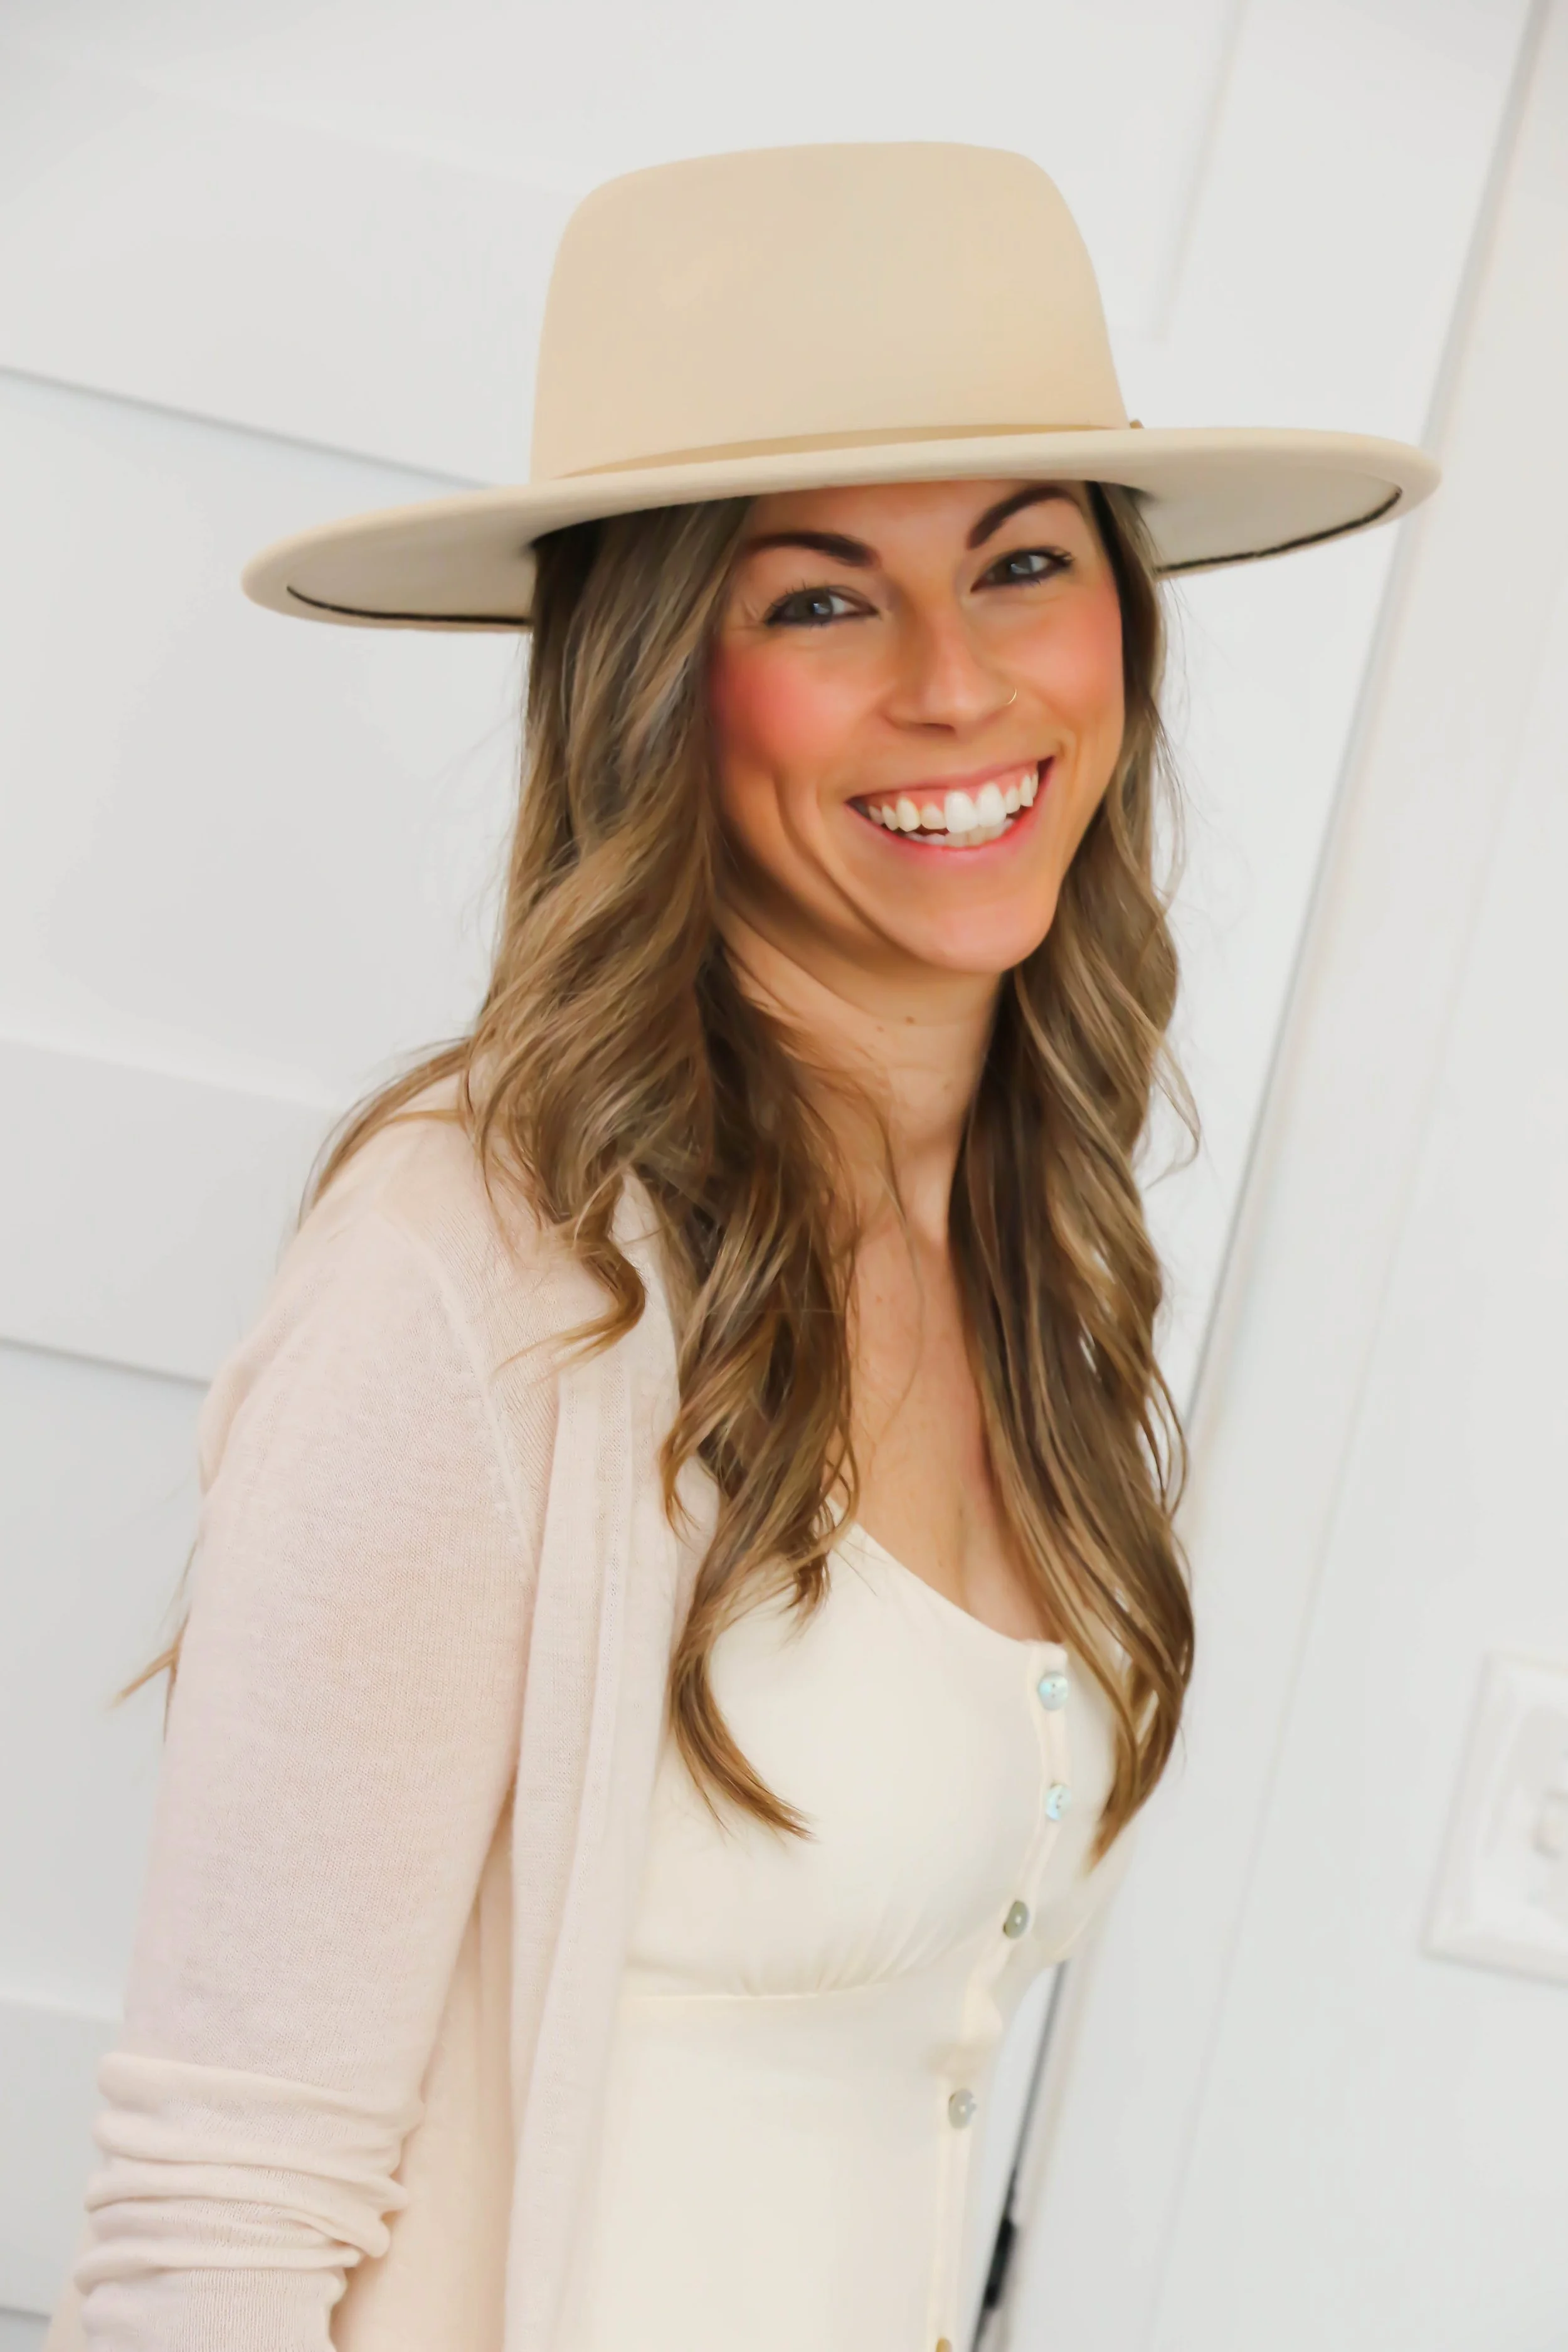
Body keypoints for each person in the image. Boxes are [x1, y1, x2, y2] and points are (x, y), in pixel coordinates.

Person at [47, 142, 1436, 2352]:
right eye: (812, 600)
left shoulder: (1027, 1251)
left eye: (1020, 564)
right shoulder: (486, 1271)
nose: (954, 686)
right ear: (652, 680)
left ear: (1122, 626)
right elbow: (218, 2222)